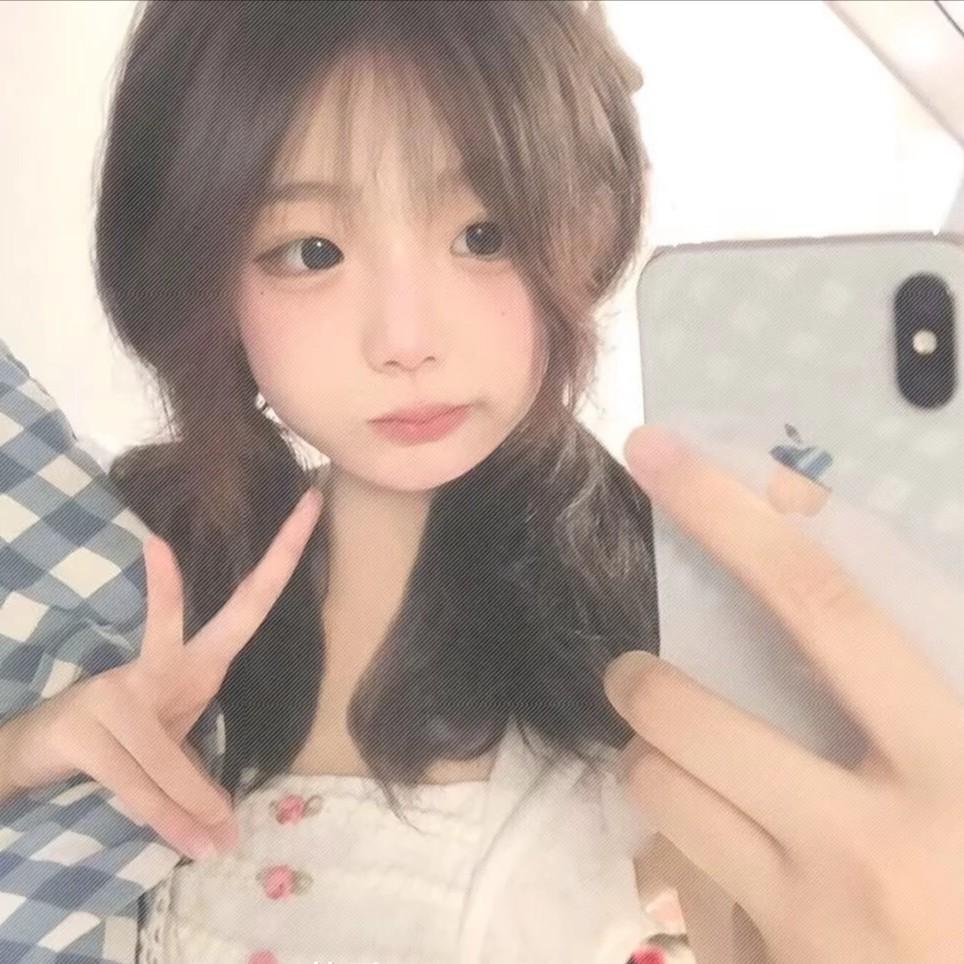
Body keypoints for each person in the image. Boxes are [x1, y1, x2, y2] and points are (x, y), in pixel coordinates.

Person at [3, 2, 963, 963]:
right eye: (312, 252)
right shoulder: (116, 574)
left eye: (483, 233)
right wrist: (19, 766)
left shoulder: (665, 647)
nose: (407, 340)